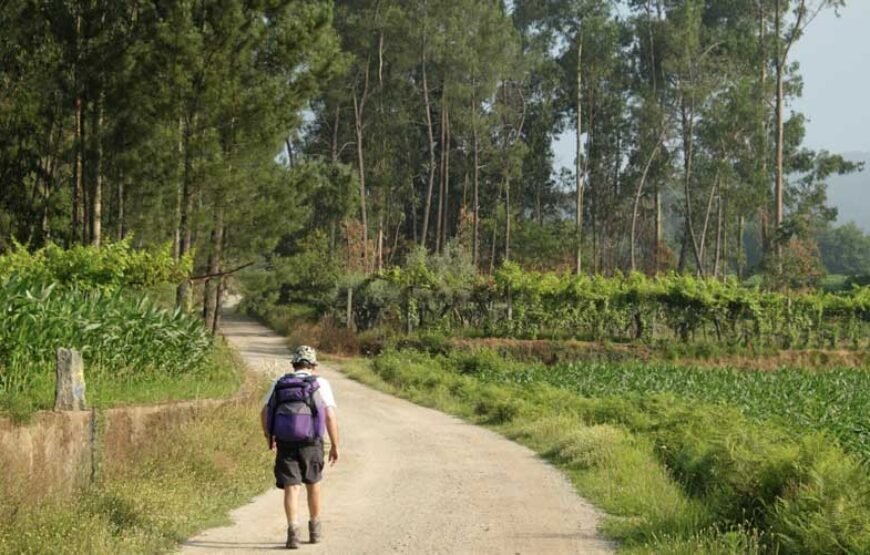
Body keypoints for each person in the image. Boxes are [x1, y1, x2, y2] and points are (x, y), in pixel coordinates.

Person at [261, 345, 340, 549]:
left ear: (294, 364)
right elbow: (330, 416)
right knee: (313, 483)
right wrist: (335, 445)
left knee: (291, 486)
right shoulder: (320, 383)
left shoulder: (279, 383)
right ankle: (314, 529)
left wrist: (269, 436)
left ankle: (293, 533)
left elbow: (264, 412)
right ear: (313, 365)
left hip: (285, 442)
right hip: (312, 442)